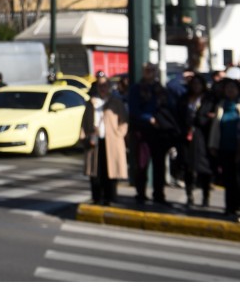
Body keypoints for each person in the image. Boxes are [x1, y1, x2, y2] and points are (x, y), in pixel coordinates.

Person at [128, 63, 177, 205]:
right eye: (147, 70)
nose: (150, 73)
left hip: (159, 131)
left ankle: (159, 194)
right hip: (143, 130)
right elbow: (134, 110)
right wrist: (148, 118)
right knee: (142, 164)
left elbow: (168, 106)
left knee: (159, 164)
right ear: (143, 72)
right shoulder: (136, 89)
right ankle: (141, 193)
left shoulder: (160, 89)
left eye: (152, 70)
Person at [81, 78, 128, 206]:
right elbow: (84, 122)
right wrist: (84, 137)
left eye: (105, 85)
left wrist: (119, 134)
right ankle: (96, 198)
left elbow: (123, 121)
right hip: (95, 141)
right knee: (95, 172)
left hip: (112, 141)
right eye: (100, 85)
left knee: (111, 171)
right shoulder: (91, 103)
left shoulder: (115, 102)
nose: (102, 88)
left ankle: (110, 198)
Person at [176, 75, 215, 208]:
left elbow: (209, 117)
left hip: (202, 137)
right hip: (187, 136)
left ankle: (205, 197)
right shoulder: (185, 99)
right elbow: (179, 115)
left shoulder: (209, 99)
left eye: (199, 83)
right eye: (194, 83)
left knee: (204, 167)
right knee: (187, 166)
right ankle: (189, 195)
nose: (196, 86)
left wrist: (203, 118)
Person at [209, 77, 240, 219]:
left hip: (238, 148)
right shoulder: (221, 105)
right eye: (228, 88)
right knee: (229, 180)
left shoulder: (238, 106)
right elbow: (215, 128)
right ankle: (229, 207)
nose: (230, 90)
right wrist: (213, 145)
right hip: (225, 147)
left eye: (233, 88)